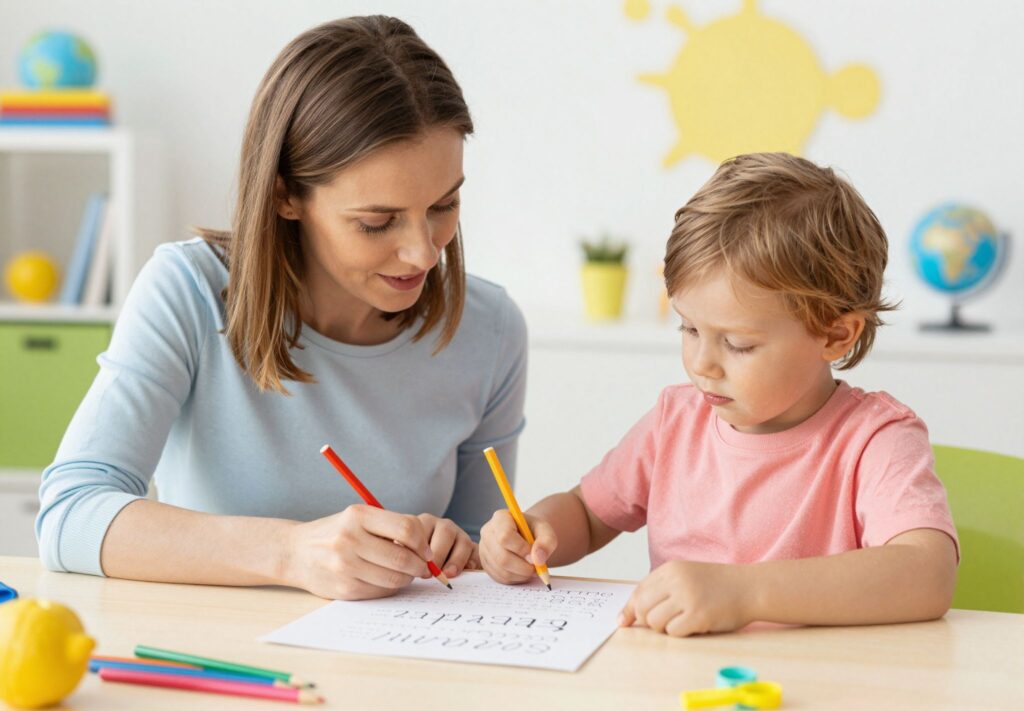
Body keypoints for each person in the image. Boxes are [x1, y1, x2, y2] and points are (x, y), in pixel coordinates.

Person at [37, 16, 527, 601]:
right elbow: (70, 514)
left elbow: (483, 558)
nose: (423, 252)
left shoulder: (490, 331)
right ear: (284, 195)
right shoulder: (188, 291)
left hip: (395, 673)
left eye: (444, 205)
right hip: (216, 663)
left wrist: (462, 549)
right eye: (377, 221)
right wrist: (291, 553)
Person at [479, 153, 958, 637]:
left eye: (737, 343)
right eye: (689, 328)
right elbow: (586, 512)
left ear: (835, 335)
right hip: (682, 691)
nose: (701, 363)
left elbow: (927, 573)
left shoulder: (874, 439)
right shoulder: (675, 422)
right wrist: (534, 531)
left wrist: (745, 593)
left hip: (818, 694)